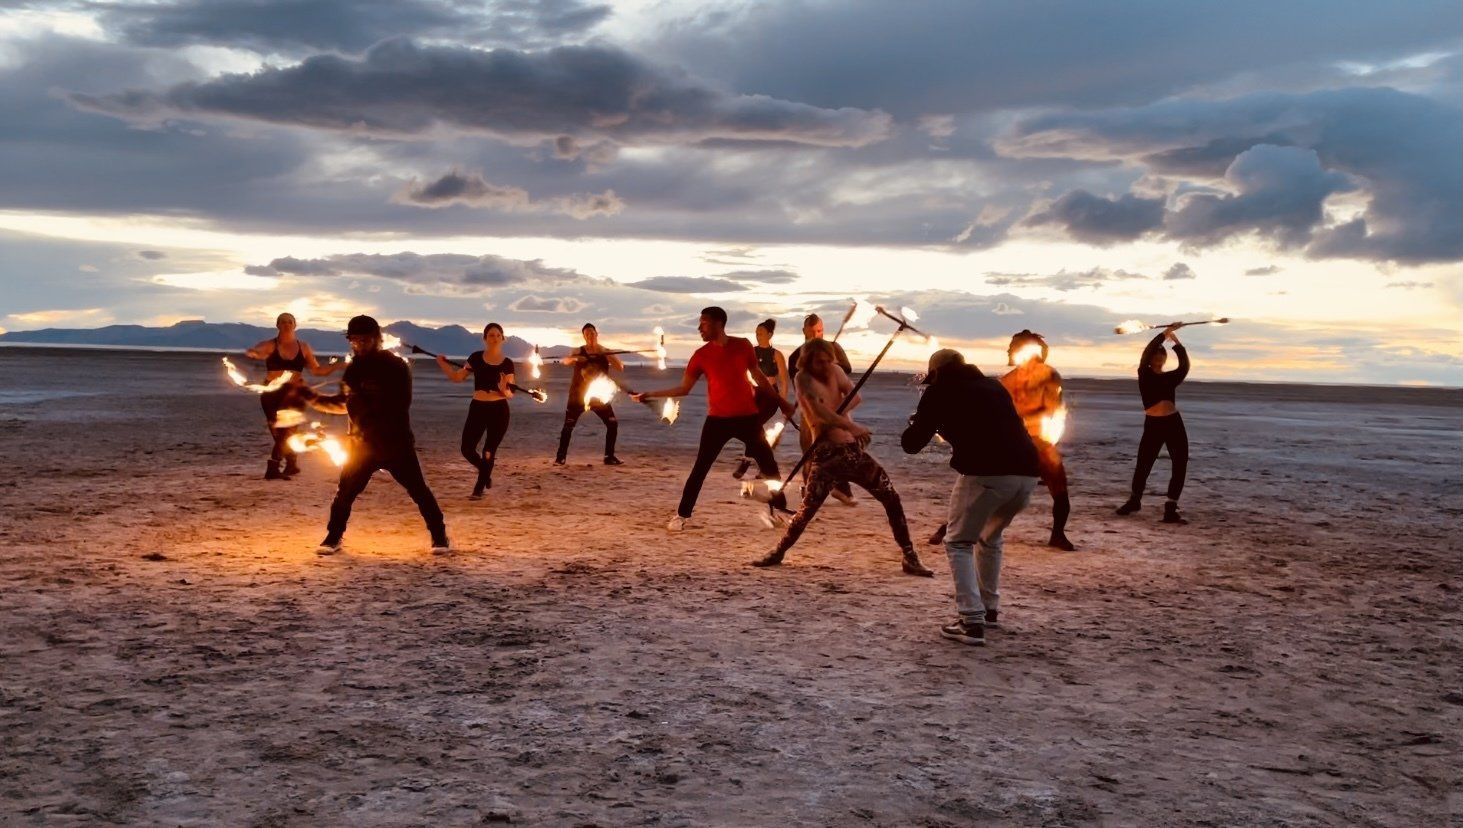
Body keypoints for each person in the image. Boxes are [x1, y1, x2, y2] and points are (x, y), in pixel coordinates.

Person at [750, 339, 933, 577]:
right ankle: (778, 552)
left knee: (891, 498)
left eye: (828, 361)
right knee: (807, 511)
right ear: (808, 361)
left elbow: (855, 397)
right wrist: (849, 424)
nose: (825, 366)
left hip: (852, 451)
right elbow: (819, 414)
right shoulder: (803, 379)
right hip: (827, 456)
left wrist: (845, 420)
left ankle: (910, 556)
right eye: (819, 362)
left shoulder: (835, 370)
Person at [902, 349, 1040, 647]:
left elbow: (912, 445)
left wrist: (918, 421)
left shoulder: (940, 391)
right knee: (990, 537)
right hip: (1028, 474)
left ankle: (970, 621)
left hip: (985, 474)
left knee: (958, 542)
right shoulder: (993, 385)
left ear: (936, 372)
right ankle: (989, 609)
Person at [632, 306, 796, 531]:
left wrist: (781, 402)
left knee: (770, 466)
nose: (700, 327)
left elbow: (760, 378)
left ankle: (779, 510)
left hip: (748, 418)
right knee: (700, 469)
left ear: (719, 324)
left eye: (704, 323)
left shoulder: (743, 346)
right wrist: (649, 394)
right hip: (717, 421)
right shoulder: (700, 355)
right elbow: (684, 388)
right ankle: (682, 515)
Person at [310, 315, 448, 555]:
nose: (360, 345)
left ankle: (440, 537)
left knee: (419, 491)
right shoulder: (353, 369)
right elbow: (346, 403)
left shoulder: (396, 366)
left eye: (365, 340)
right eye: (355, 340)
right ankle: (333, 537)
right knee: (345, 493)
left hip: (395, 442)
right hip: (362, 445)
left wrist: (366, 407)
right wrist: (314, 400)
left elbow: (401, 403)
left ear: (376, 339)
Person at [929, 330, 1076, 550]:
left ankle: (1058, 534)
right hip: (1023, 442)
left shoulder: (1042, 375)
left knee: (1057, 491)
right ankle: (949, 527)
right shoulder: (1007, 381)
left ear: (1023, 349)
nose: (1008, 350)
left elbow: (1053, 407)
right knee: (992, 496)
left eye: (1012, 346)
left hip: (1032, 442)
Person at [245, 312, 342, 479]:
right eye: (282, 322)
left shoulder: (303, 347)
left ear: (295, 325)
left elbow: (317, 370)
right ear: (277, 325)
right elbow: (258, 351)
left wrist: (339, 365)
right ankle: (291, 464)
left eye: (289, 321)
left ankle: (273, 468)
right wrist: (254, 353)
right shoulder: (270, 345)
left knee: (287, 431)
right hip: (271, 393)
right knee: (277, 431)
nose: (286, 324)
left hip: (294, 393)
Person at [1117, 326, 1191, 524]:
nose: (1158, 358)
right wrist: (1164, 334)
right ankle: (1134, 500)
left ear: (1164, 359)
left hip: (1173, 423)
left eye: (1161, 356)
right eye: (1156, 355)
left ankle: (1170, 508)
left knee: (1180, 462)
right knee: (1144, 462)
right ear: (1150, 359)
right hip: (1153, 424)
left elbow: (1184, 367)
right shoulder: (1144, 374)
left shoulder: (1170, 377)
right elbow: (1147, 350)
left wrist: (1177, 343)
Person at [436, 323, 515, 499]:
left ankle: (478, 489)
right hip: (478, 408)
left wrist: (504, 389)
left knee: (489, 450)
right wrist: (442, 363)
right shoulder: (476, 358)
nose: (494, 338)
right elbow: (458, 377)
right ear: (485, 339)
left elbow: (510, 394)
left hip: (499, 411)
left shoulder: (507, 363)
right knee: (466, 449)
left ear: (503, 338)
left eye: (497, 335)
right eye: (490, 335)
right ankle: (484, 470)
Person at [787, 313, 855, 505]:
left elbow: (847, 369)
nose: (816, 336)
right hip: (811, 411)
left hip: (835, 408)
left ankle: (843, 489)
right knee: (809, 451)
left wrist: (831, 364)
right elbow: (797, 381)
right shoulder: (796, 355)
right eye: (812, 332)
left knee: (840, 448)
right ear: (804, 332)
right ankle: (809, 490)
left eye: (820, 331)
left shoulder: (834, 349)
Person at [554, 323, 624, 466]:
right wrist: (575, 359)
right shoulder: (578, 351)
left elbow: (620, 367)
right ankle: (560, 458)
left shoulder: (605, 351)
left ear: (596, 334)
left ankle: (609, 456)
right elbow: (565, 361)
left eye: (592, 333)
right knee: (568, 426)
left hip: (599, 396)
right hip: (578, 396)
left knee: (612, 424)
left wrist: (609, 355)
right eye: (587, 334)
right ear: (584, 337)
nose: (590, 336)